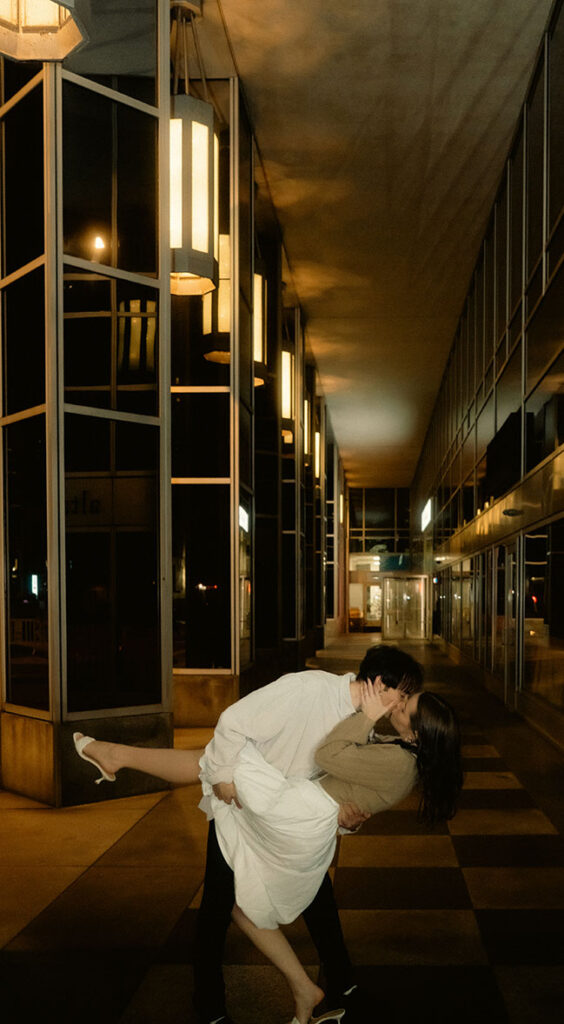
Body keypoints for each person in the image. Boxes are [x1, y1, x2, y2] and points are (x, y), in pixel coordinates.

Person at [74, 646, 427, 1023]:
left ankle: (335, 985)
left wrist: (347, 821)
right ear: (379, 684)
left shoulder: (363, 720)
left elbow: (338, 785)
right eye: (402, 694)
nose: (400, 705)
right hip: (244, 802)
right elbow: (233, 722)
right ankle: (213, 1006)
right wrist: (222, 775)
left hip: (279, 813)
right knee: (219, 903)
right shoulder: (308, 689)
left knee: (310, 893)